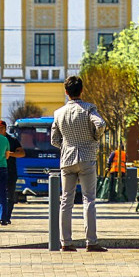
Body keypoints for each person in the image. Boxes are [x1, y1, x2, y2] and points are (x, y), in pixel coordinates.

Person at [51, 76, 106, 252]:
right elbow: (101, 124)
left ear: (66, 92)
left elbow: (54, 139)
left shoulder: (58, 113)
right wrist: (94, 139)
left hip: (67, 159)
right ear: (82, 90)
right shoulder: (89, 109)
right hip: (87, 157)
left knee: (66, 200)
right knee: (88, 199)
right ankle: (91, 241)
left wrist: (66, 146)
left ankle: (65, 242)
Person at [0, 119, 26, 224]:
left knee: (10, 196)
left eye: (2, 128)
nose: (0, 130)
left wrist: (9, 154)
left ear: (5, 128)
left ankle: (6, 217)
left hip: (10, 172)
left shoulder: (12, 140)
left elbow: (22, 153)